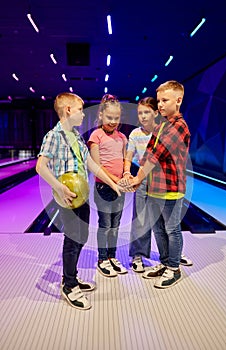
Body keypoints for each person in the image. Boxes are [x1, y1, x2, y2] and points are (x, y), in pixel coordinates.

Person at [36, 92, 123, 310]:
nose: (84, 115)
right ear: (68, 111)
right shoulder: (53, 136)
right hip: (67, 198)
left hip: (81, 197)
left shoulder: (76, 136)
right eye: (80, 110)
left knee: (82, 236)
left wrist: (113, 184)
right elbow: (40, 166)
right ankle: (69, 286)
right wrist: (59, 187)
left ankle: (69, 277)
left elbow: (92, 165)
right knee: (73, 239)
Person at [126, 81, 191, 288]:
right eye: (160, 100)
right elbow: (147, 154)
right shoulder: (162, 124)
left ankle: (174, 268)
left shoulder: (179, 126)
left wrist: (137, 178)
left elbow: (157, 153)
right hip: (154, 187)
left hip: (171, 187)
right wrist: (140, 179)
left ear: (178, 100)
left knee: (172, 229)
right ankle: (165, 263)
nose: (160, 105)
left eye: (165, 100)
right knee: (159, 229)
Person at [88, 94, 128, 277]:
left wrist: (127, 176)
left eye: (116, 118)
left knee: (115, 225)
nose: (113, 121)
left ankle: (112, 257)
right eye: (109, 117)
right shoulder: (96, 136)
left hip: (119, 189)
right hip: (104, 188)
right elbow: (97, 168)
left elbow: (126, 161)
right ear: (101, 116)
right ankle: (102, 259)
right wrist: (115, 181)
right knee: (105, 225)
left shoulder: (122, 138)